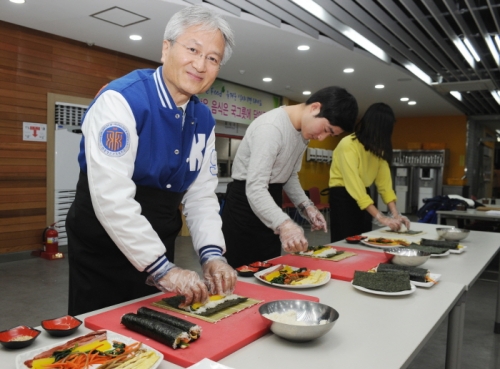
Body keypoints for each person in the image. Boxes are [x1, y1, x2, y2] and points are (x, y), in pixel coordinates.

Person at [66, 5, 237, 316]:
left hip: (159, 236)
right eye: (193, 49)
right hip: (102, 241)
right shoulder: (121, 100)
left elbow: (200, 195)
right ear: (166, 48)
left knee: (152, 325)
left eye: (213, 59)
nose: (200, 64)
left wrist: (213, 254)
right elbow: (111, 196)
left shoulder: (204, 119)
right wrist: (162, 268)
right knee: (103, 334)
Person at [221, 86, 359, 268]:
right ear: (315, 107)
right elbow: (255, 188)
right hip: (244, 205)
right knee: (241, 272)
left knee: (267, 268)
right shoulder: (271, 128)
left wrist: (306, 206)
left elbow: (289, 176)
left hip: (270, 199)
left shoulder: (303, 133)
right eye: (326, 129)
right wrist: (285, 224)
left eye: (330, 134)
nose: (322, 138)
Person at [328, 102, 410, 242]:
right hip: (342, 196)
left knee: (364, 237)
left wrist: (396, 214)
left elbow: (385, 185)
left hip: (363, 194)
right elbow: (354, 184)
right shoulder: (348, 144)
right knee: (345, 241)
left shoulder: (378, 150)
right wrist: (380, 217)